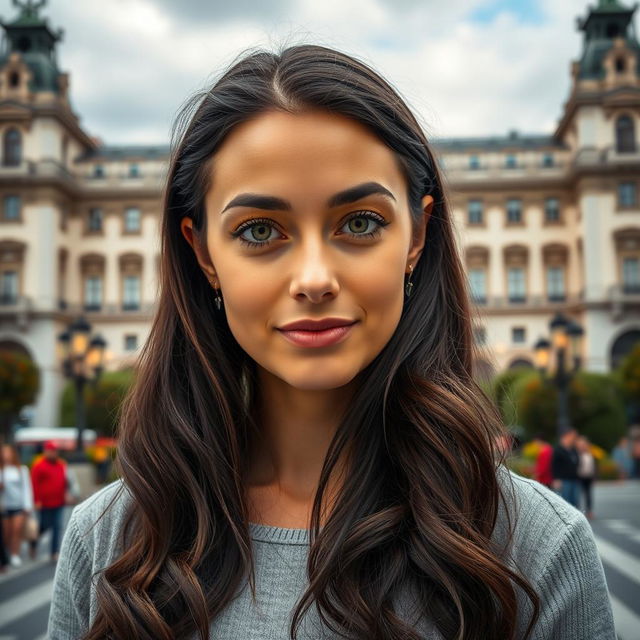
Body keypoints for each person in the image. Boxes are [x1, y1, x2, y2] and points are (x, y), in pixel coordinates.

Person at [48, 45, 616, 640]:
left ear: (418, 235)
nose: (315, 279)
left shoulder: (536, 545)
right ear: (202, 253)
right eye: (260, 230)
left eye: (361, 222)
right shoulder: (109, 542)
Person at [30, 441, 67, 563]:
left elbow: (65, 481)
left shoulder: (61, 464)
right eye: (51, 450)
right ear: (46, 451)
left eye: (55, 451)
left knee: (57, 526)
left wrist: (66, 495)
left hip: (59, 502)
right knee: (44, 526)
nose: (53, 453)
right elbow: (34, 484)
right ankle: (33, 541)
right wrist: (36, 500)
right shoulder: (38, 465)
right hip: (44, 503)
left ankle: (54, 552)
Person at [0, 443, 33, 567]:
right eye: (4, 452)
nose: (6, 455)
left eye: (8, 452)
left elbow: (26, 488)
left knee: (16, 531)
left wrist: (27, 505)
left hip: (18, 505)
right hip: (4, 506)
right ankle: (7, 553)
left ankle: (15, 554)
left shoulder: (21, 469)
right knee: (6, 533)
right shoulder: (1, 470)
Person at [551, 428, 580, 508]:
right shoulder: (558, 450)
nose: (575, 439)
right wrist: (556, 479)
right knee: (565, 502)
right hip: (563, 480)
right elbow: (554, 465)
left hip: (574, 479)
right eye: (573, 436)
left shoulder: (573, 450)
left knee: (575, 501)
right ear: (567, 436)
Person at [575, 435, 597, 520]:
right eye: (581, 444)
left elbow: (594, 466)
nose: (583, 446)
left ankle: (589, 511)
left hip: (589, 476)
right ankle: (578, 510)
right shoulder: (576, 454)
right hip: (579, 476)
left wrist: (594, 476)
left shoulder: (590, 454)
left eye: (584, 444)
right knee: (578, 494)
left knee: (588, 495)